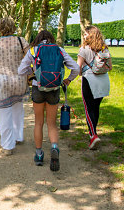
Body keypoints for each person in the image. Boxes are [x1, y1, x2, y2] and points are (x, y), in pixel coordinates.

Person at [18, 30, 79, 172]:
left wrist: (32, 73)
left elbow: (21, 70)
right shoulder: (59, 50)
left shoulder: (33, 50)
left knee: (38, 122)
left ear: (37, 39)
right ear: (51, 39)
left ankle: (39, 154)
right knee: (51, 123)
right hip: (54, 89)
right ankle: (54, 147)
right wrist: (68, 80)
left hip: (37, 88)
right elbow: (75, 68)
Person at [0, 17, 29, 155]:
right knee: (18, 109)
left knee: (3, 113)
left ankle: (8, 145)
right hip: (19, 80)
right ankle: (18, 136)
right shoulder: (21, 40)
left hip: (1, 81)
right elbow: (30, 57)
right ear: (13, 27)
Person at [76, 25, 111, 150]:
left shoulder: (83, 50)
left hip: (89, 80)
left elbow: (78, 68)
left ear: (90, 35)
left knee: (88, 108)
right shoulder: (104, 49)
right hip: (104, 81)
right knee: (96, 108)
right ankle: (94, 131)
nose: (84, 36)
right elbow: (110, 66)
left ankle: (93, 135)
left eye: (85, 34)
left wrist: (78, 74)